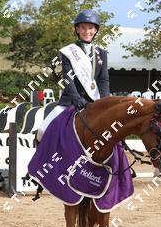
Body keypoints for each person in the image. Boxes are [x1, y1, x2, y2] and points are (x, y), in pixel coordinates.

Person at [37, 10, 110, 141]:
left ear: (95, 30)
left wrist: (105, 101)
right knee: (43, 130)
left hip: (95, 101)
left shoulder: (102, 53)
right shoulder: (68, 51)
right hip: (71, 101)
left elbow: (103, 80)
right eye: (83, 28)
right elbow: (67, 78)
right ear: (77, 29)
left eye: (90, 28)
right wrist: (77, 99)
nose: (87, 31)